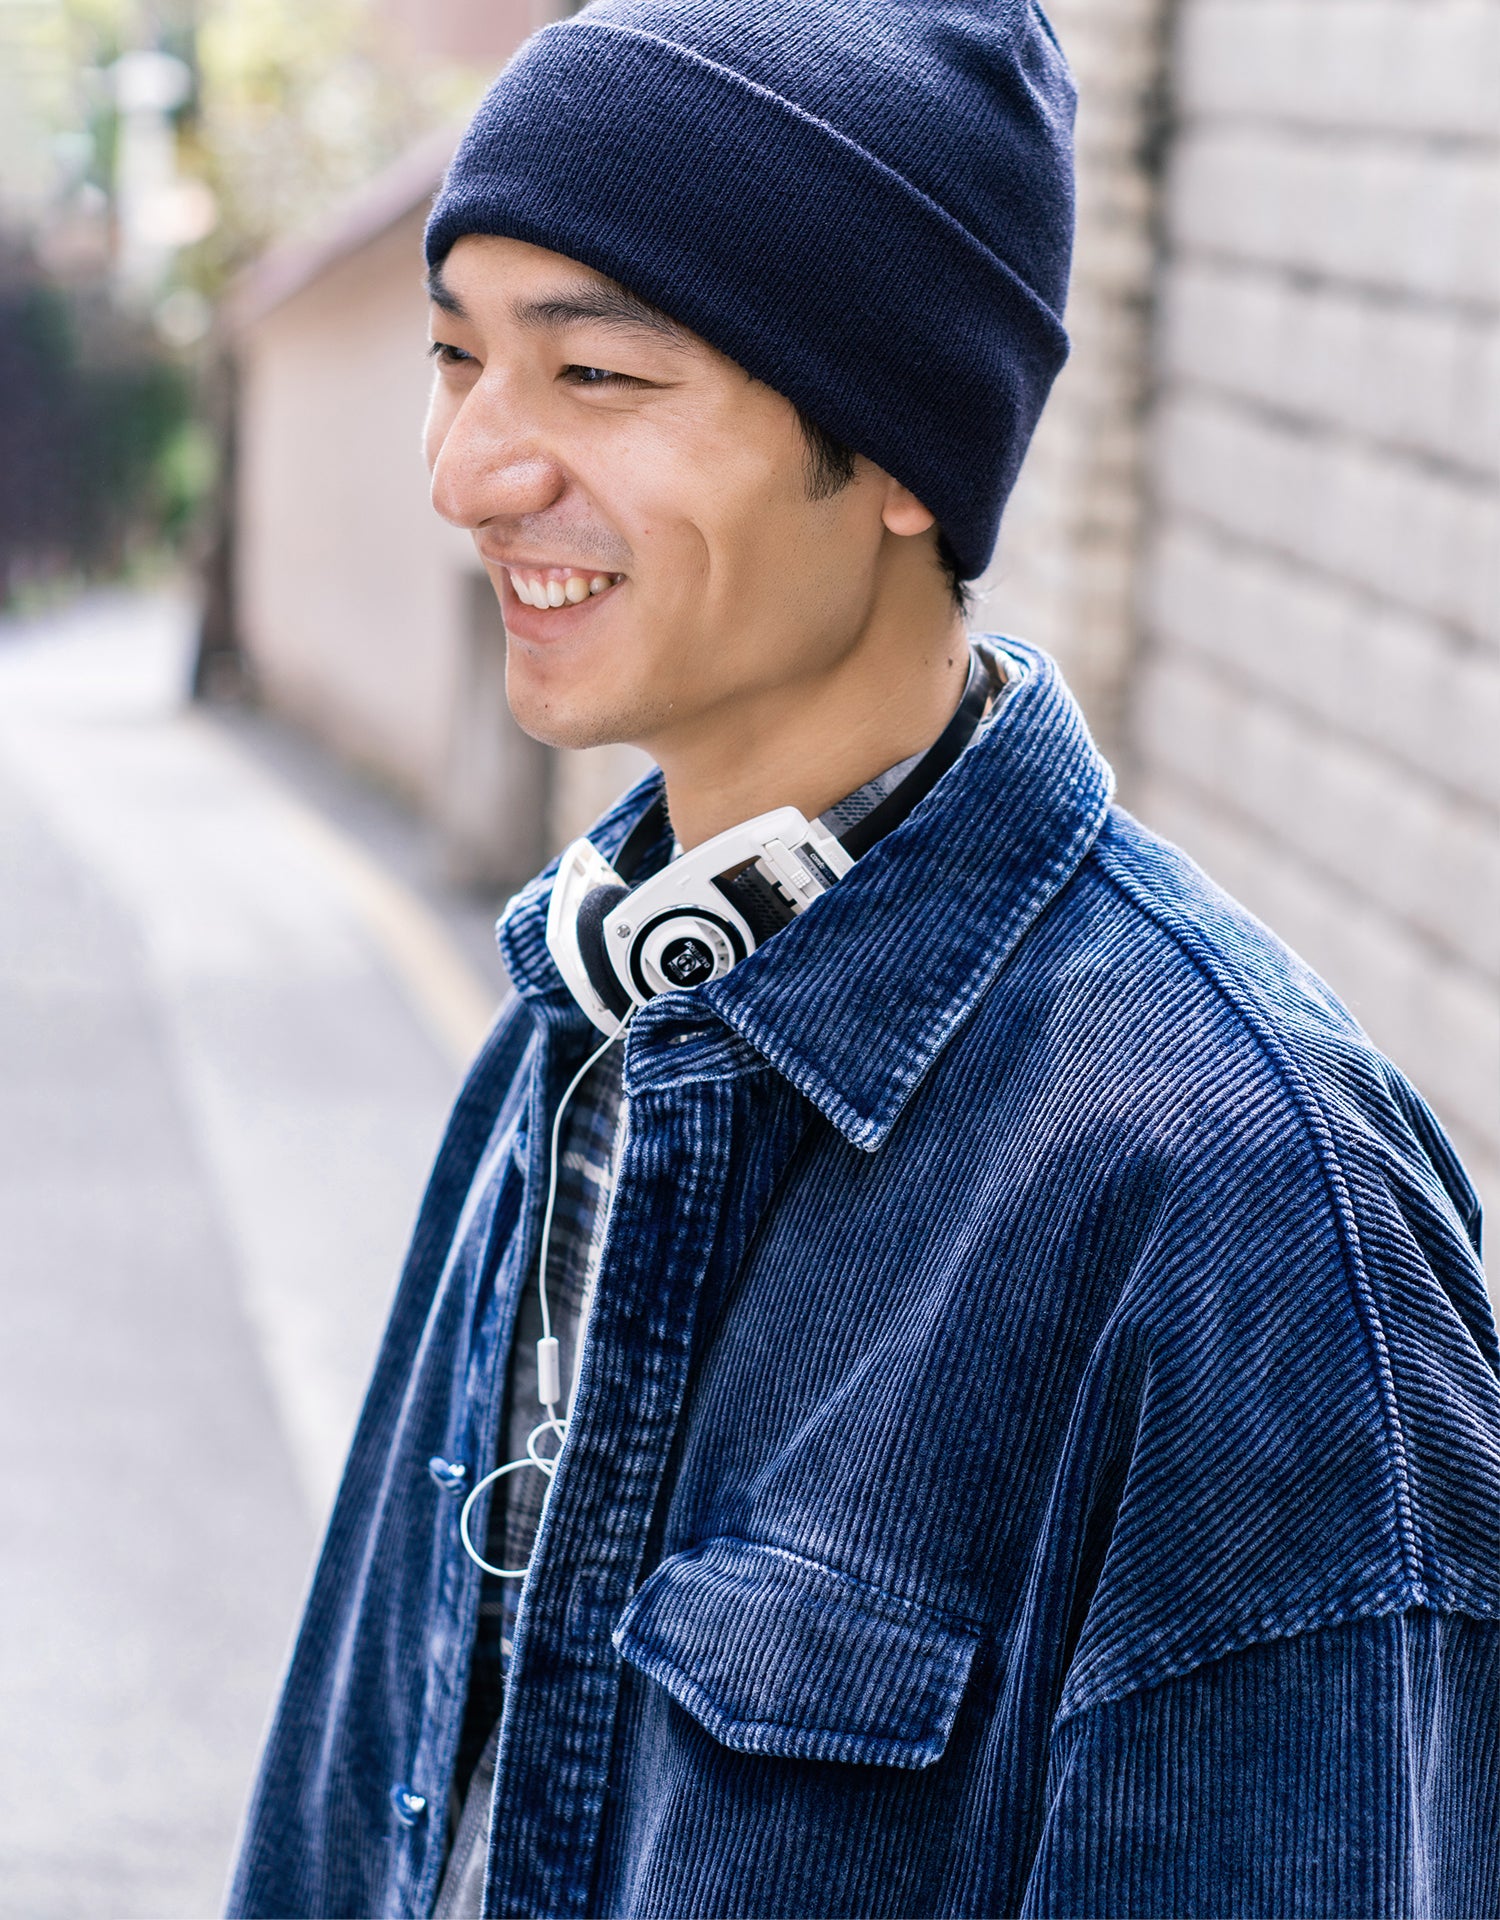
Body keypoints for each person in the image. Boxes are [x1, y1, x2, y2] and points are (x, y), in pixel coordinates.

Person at [226, 1, 1500, 1915]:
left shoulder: (1248, 1217)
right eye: (453, 356)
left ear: (899, 448)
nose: (471, 470)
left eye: (592, 372)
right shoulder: (584, 1030)